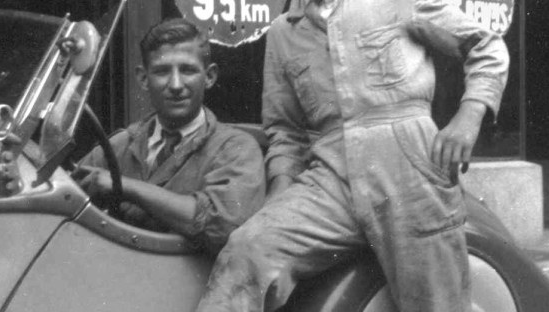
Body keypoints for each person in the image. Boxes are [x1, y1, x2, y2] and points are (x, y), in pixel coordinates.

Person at [196, 0, 509, 311]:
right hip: (330, 179)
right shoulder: (283, 31)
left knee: (436, 304)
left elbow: (486, 46)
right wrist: (279, 190)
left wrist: (469, 116)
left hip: (411, 174)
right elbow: (284, 130)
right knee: (248, 249)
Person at [74, 18, 266, 254]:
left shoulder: (236, 149)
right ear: (143, 78)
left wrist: (124, 187)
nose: (176, 84)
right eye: (162, 71)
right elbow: (68, 192)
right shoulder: (122, 144)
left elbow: (224, 225)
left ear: (209, 76)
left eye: (187, 70)